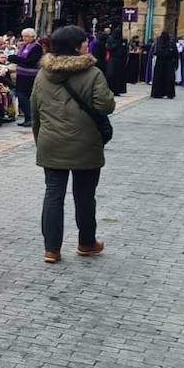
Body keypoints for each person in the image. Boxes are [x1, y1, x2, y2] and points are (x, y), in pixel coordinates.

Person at [30, 25, 114, 264]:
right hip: (85, 142)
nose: (88, 44)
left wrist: (40, 139)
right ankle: (87, 242)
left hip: (51, 142)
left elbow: (35, 111)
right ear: (76, 47)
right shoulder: (92, 73)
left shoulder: (43, 73)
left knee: (53, 194)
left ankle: (51, 249)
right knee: (85, 195)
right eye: (85, 41)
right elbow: (105, 106)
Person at [7, 28, 43, 127]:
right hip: (21, 74)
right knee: (22, 96)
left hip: (30, 75)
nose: (24, 38)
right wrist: (14, 59)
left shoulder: (36, 47)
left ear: (33, 37)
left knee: (23, 96)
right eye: (23, 36)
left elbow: (31, 61)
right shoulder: (23, 46)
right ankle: (28, 118)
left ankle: (30, 117)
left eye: (26, 36)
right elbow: (21, 59)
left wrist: (16, 59)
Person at [150, 32, 179, 99]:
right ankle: (169, 93)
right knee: (169, 79)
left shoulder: (158, 43)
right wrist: (176, 64)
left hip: (159, 63)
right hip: (169, 63)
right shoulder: (171, 43)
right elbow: (175, 54)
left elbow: (155, 53)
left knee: (159, 78)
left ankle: (157, 93)